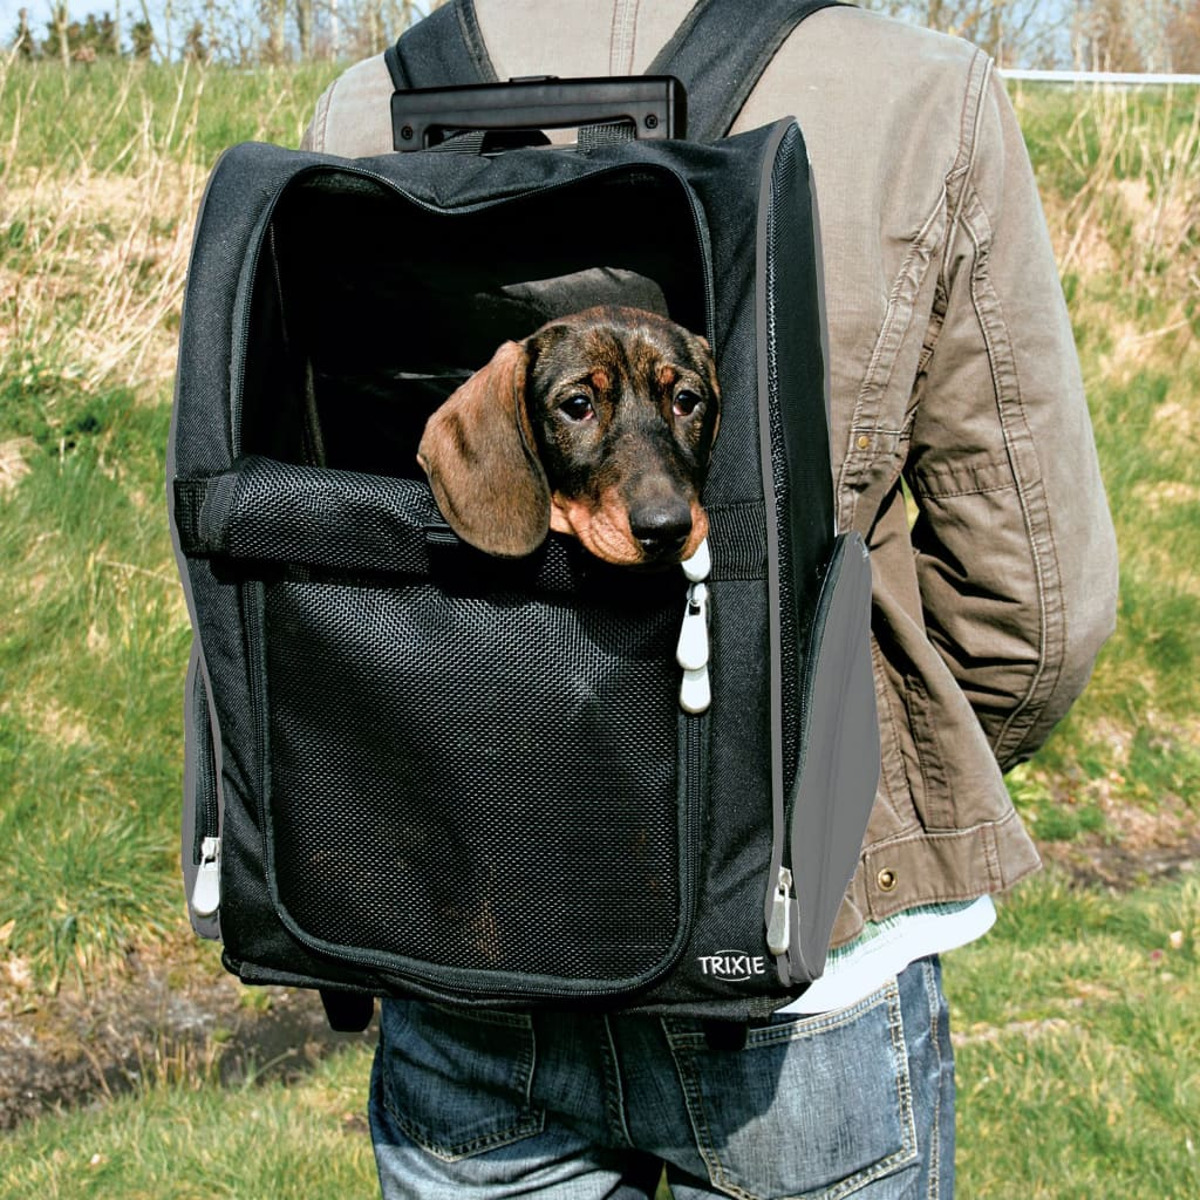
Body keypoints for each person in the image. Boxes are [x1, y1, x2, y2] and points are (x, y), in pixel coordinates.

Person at [302, 2, 1119, 1195]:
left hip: (471, 939)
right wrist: (835, 792)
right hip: (800, 960)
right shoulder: (921, 92)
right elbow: (1036, 615)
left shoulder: (363, 107)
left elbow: (325, 553)